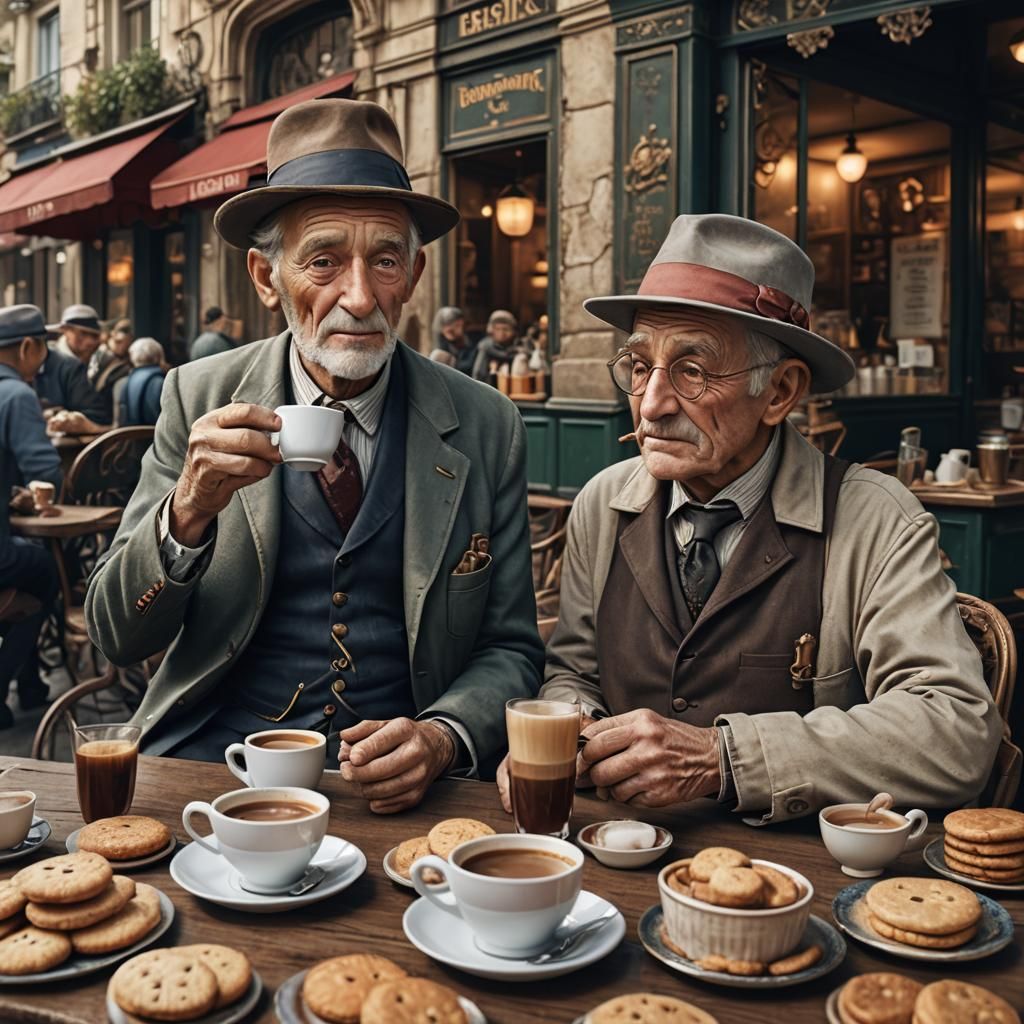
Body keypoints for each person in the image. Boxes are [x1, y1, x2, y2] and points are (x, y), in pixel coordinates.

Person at [86, 98, 544, 813]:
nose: (359, 297)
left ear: (415, 276)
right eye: (323, 261)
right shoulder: (197, 395)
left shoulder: (486, 424)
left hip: (403, 794)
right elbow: (117, 634)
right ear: (268, 279)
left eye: (385, 260)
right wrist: (188, 512)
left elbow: (513, 648)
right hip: (219, 768)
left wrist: (445, 735)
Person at [498, 213, 1003, 823]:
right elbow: (573, 672)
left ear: (782, 392)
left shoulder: (875, 520)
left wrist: (722, 757)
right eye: (639, 367)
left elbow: (954, 730)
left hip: (796, 878)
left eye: (692, 369)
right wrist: (575, 728)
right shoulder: (603, 504)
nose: (652, 404)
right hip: (619, 855)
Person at [0, 306, 62, 729]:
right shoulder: (16, 395)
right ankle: (15, 683)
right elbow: (46, 473)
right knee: (48, 571)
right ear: (27, 346)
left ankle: (32, 682)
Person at [470, 309, 530, 382]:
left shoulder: (521, 347)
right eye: (497, 329)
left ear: (514, 331)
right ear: (491, 330)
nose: (502, 333)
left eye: (506, 329)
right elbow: (478, 375)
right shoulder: (486, 347)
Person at [118, 338, 166, 426]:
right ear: (159, 357)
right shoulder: (161, 382)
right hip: (155, 437)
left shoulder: (124, 382)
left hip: (131, 436)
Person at [431, 306, 477, 375]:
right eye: (457, 325)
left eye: (461, 325)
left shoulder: (469, 341)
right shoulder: (442, 343)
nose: (460, 330)